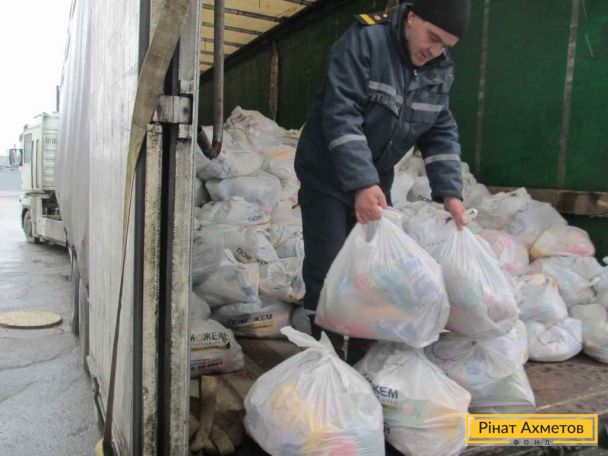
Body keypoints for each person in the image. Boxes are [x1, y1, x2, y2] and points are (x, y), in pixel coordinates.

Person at [292, 0, 472, 359]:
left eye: (445, 45)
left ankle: (362, 360)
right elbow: (341, 114)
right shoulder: (365, 42)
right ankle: (322, 361)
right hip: (326, 172)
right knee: (328, 265)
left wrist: (450, 192)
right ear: (412, 18)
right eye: (432, 37)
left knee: (371, 269)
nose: (434, 50)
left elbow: (439, 130)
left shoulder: (438, 69)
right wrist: (361, 183)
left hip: (375, 176)